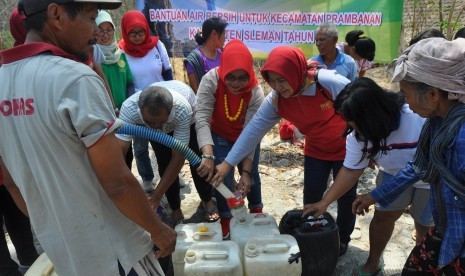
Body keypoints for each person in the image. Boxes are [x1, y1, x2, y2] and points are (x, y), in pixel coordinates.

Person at [0, 1, 177, 275]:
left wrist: (53, 224)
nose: (95, 31)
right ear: (56, 14)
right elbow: (117, 183)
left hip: (64, 251)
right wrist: (159, 230)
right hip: (116, 250)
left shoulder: (2, 80)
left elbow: (12, 183)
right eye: (91, 18)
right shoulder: (74, 79)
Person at [212, 46, 355, 255]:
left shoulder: (328, 82)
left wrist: (369, 147)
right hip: (315, 149)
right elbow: (252, 131)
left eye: (283, 80)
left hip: (347, 148)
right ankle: (313, 236)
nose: (278, 87)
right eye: (273, 81)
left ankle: (342, 239)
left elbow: (363, 104)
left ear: (295, 72)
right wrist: (227, 165)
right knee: (312, 195)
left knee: (346, 197)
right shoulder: (276, 99)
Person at [353, 37, 465, 275]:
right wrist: (375, 195)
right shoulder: (437, 122)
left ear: (433, 94)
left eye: (406, 93)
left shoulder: (460, 137)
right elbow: (419, 166)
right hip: (449, 227)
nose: (404, 102)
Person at [302, 77, 433, 275]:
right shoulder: (357, 136)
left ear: (374, 115)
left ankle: (422, 266)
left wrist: (374, 195)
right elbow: (351, 170)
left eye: (358, 124)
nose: (355, 130)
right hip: (391, 175)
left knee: (425, 225)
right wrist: (325, 202)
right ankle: (373, 262)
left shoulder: (417, 117)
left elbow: (421, 167)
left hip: (431, 180)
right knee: (383, 217)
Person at [117, 80, 219, 224]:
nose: (156, 127)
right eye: (150, 122)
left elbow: (179, 157)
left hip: (187, 120)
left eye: (160, 122)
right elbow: (120, 153)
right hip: (162, 115)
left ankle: (207, 199)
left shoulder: (182, 109)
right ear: (140, 111)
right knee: (164, 163)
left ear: (172, 109)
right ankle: (175, 208)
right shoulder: (129, 108)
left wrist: (157, 195)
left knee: (197, 162)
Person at [195, 39, 265, 238]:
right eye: (231, 77)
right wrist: (208, 155)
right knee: (221, 178)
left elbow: (252, 134)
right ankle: (226, 218)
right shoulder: (210, 81)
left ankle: (256, 210)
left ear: (250, 73)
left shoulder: (255, 92)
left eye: (242, 77)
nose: (236, 83)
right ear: (223, 69)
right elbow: (201, 119)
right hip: (219, 136)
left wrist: (245, 171)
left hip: (247, 136)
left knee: (251, 176)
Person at [119, 10, 174, 193]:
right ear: (125, 32)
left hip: (161, 103)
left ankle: (171, 175)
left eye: (141, 32)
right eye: (132, 33)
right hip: (137, 106)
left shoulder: (157, 46)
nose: (137, 37)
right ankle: (147, 179)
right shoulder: (120, 51)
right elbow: (123, 80)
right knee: (140, 146)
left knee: (166, 143)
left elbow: (167, 72)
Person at [96, 10, 135, 168]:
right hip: (103, 117)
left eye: (109, 30)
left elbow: (129, 83)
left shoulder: (121, 55)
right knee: (110, 160)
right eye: (100, 30)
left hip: (124, 117)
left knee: (127, 157)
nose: (105, 35)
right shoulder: (92, 57)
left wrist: (128, 109)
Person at [184, 17, 227, 93]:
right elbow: (196, 92)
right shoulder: (194, 60)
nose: (225, 37)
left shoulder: (224, 55)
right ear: (214, 33)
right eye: (223, 33)